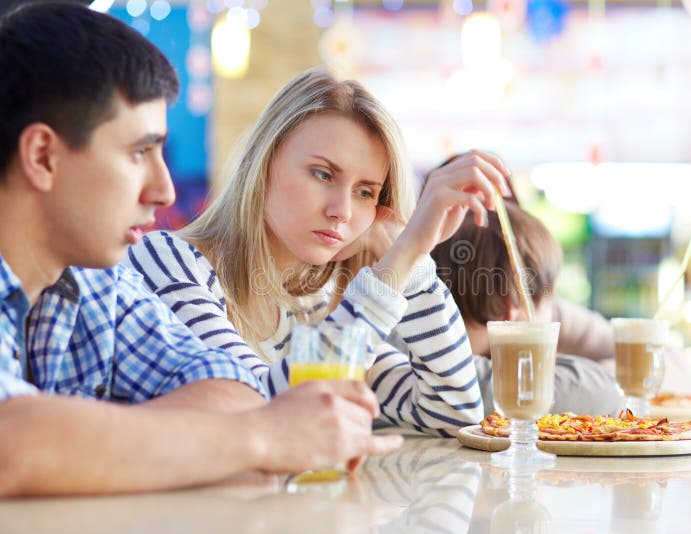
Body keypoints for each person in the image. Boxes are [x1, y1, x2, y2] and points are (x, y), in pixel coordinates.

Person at [0, 3, 401, 497]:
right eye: (138, 153)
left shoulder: (97, 284)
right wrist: (262, 437)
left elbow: (236, 392)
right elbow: (9, 448)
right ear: (42, 157)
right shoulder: (163, 260)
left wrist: (73, 449)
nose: (164, 191)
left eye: (367, 190)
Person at [125, 68, 515, 436]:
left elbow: (453, 412)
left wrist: (414, 264)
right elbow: (259, 413)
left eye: (365, 192)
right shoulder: (167, 261)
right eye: (323, 174)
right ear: (265, 163)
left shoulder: (321, 303)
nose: (342, 211)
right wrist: (403, 254)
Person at [430, 203, 626, 415]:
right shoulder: (447, 379)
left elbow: (666, 358)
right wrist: (618, 374)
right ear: (509, 307)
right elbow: (602, 394)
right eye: (552, 296)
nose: (553, 308)